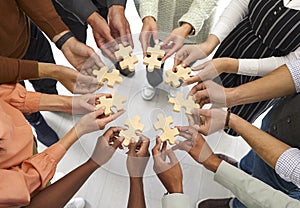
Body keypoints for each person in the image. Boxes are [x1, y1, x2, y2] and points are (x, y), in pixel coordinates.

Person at [174, 0, 300, 136]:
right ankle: (209, 112)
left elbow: (293, 63)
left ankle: (219, 123)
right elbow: (241, 3)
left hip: (268, 75)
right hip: (237, 43)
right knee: (210, 89)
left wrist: (230, 65)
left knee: (236, 116)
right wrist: (209, 44)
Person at [187, 60, 300, 207]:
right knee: (256, 153)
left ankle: (237, 204)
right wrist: (230, 95)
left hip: (288, 173)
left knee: (267, 192)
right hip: (281, 118)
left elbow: (295, 168)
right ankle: (243, 169)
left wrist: (230, 120)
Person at [0, 83, 123, 207]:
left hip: (20, 152)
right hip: (18, 190)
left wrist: (71, 103)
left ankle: (49, 183)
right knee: (39, 192)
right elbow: (21, 186)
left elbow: (4, 93)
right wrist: (78, 131)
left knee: (44, 182)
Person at [1, 0, 103, 146]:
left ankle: (54, 101)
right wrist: (55, 71)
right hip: (2, 78)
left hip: (28, 37)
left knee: (47, 84)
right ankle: (35, 119)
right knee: (18, 99)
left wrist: (63, 38)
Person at [134, 0, 219, 100]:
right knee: (153, 58)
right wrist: (148, 14)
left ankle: (176, 83)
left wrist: (190, 23)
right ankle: (152, 82)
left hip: (197, 23)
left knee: (185, 62)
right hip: (159, 19)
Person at [52, 0, 134, 76]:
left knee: (110, 31)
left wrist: (116, 5)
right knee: (76, 37)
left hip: (104, 3)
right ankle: (85, 63)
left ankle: (119, 56)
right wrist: (91, 16)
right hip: (68, 7)